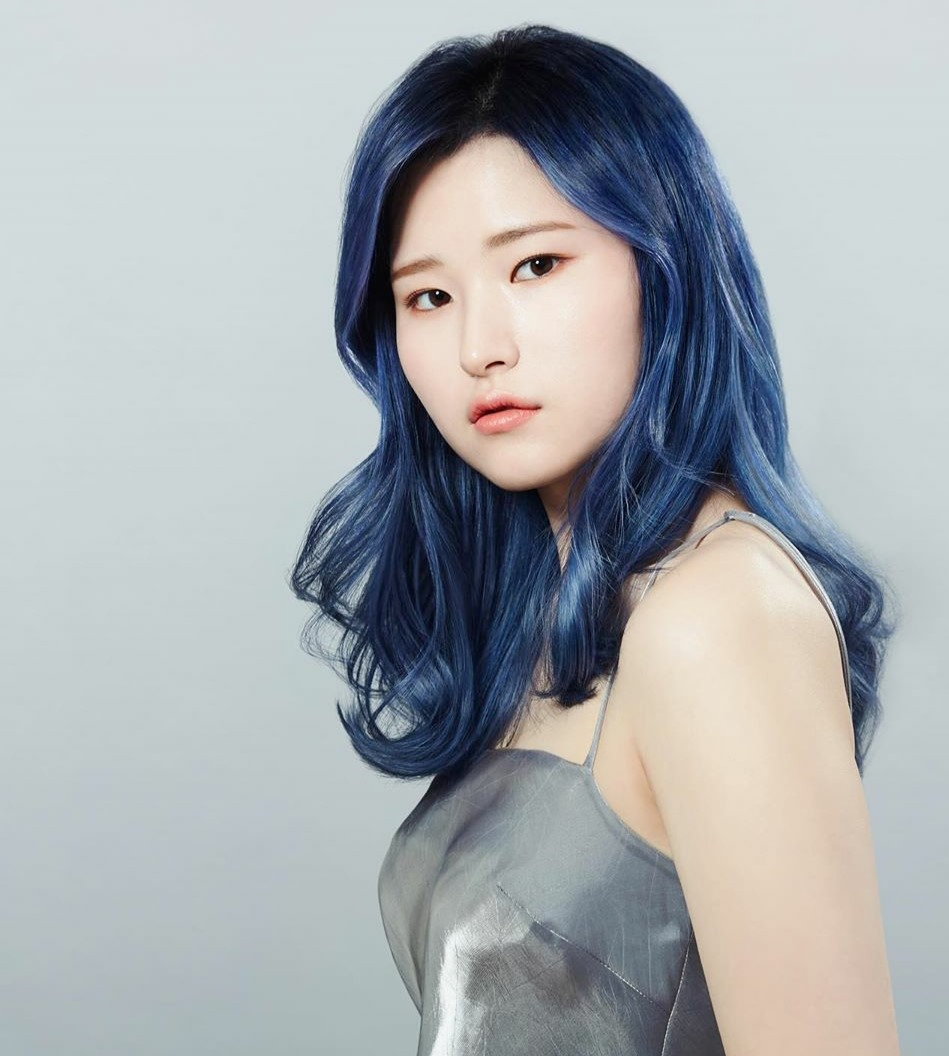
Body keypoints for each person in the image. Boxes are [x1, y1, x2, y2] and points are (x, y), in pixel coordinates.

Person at [290, 23, 902, 1055]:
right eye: (428, 296)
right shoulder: (562, 611)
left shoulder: (717, 614)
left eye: (535, 265)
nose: (480, 347)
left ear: (662, 265)